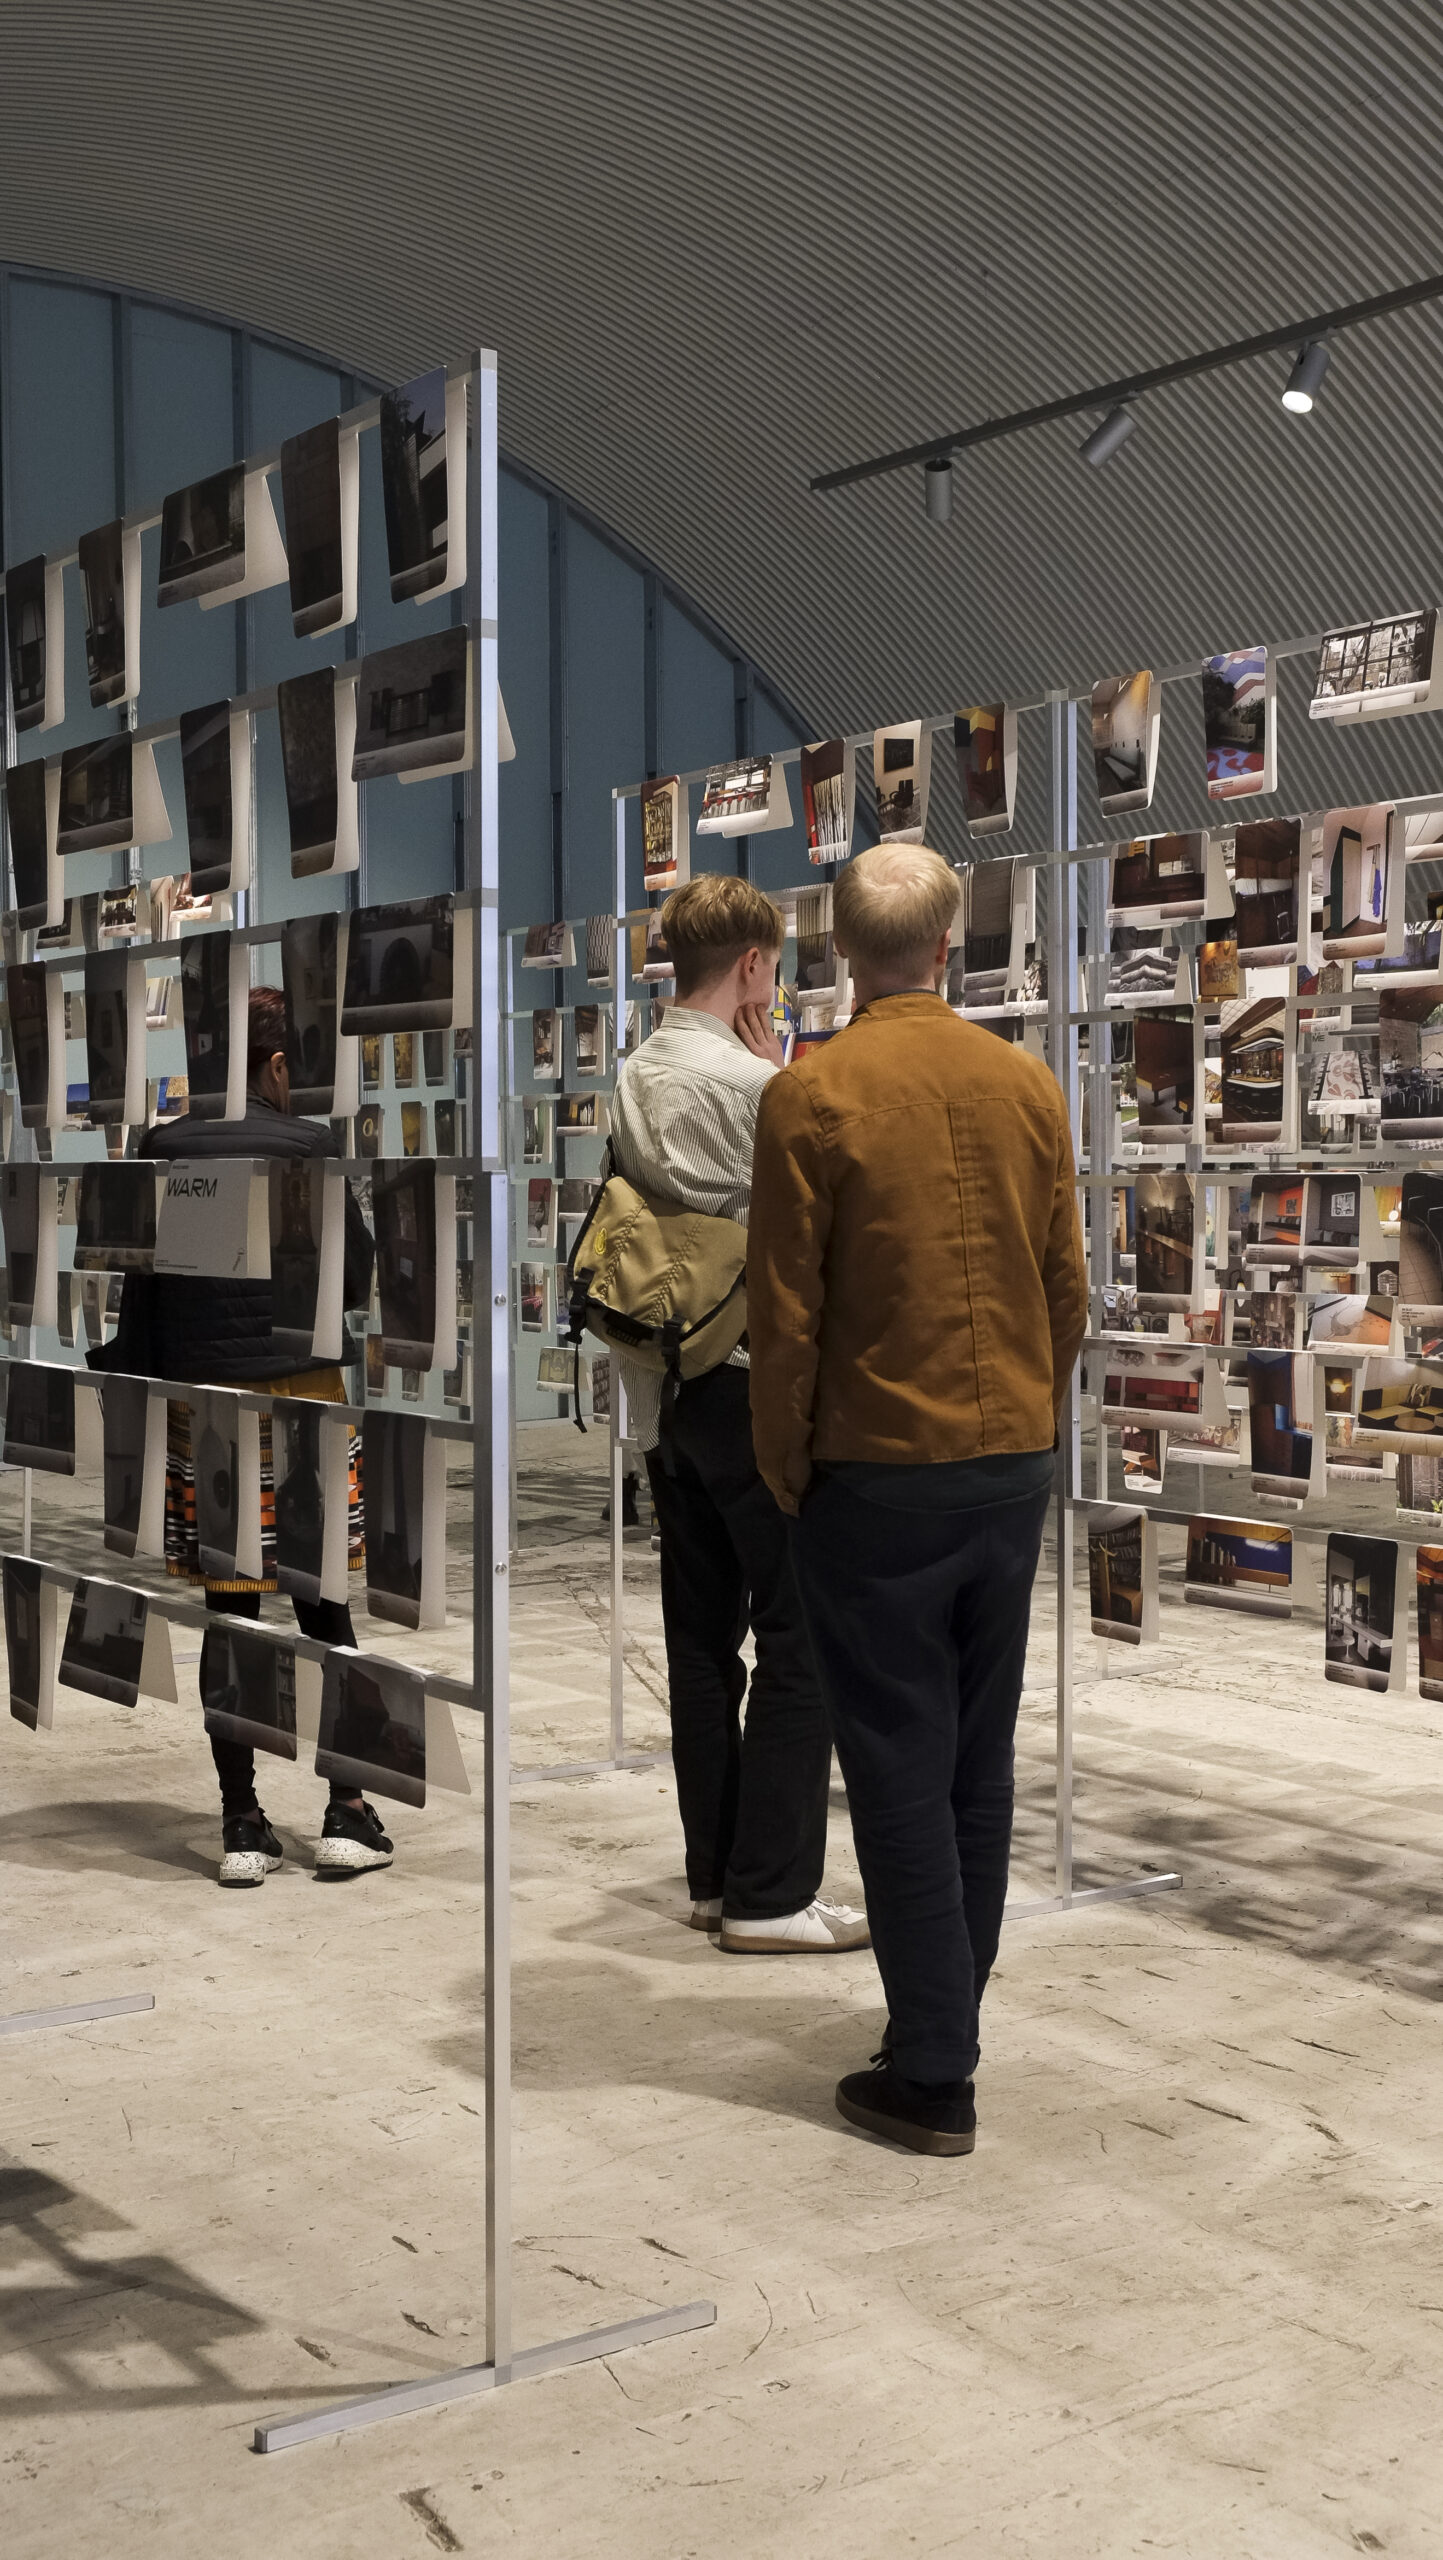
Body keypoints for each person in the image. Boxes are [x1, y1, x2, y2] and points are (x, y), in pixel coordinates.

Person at [747, 844, 1087, 2153]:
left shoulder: (810, 1095)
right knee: (973, 1761)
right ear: (949, 947)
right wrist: (1025, 1410)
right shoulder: (1025, 1083)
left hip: (873, 1471)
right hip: (1007, 1465)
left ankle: (935, 2066)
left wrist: (788, 1467)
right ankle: (942, 2016)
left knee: (893, 1762)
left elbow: (786, 1317)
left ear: (839, 949)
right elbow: (1062, 1284)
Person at [609, 871, 866, 1953]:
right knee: (801, 1639)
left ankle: (714, 1879)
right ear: (755, 966)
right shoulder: (759, 1085)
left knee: (700, 1643)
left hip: (662, 1388)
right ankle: (772, 1894)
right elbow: (812, 1223)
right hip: (752, 1382)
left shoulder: (635, 1072)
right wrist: (781, 1075)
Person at [98, 986, 384, 1888]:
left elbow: (146, 1292)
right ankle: (345, 1810)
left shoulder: (166, 1147)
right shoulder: (306, 1146)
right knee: (324, 1607)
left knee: (234, 1614)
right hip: (303, 1396)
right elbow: (353, 1279)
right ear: (275, 1063)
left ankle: (242, 1823)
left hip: (209, 1408)